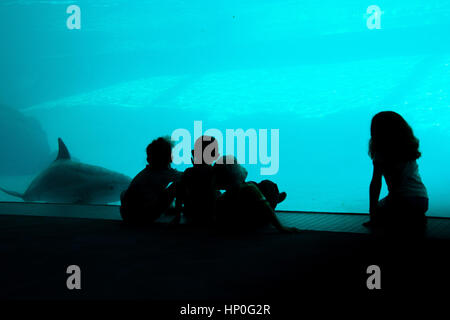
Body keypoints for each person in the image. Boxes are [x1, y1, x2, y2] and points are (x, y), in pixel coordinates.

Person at [363, 111, 428, 233]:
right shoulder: (409, 149)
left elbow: (376, 183)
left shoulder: (381, 153)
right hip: (422, 200)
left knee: (381, 210)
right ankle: (415, 218)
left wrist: (373, 214)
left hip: (401, 201)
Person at [214, 155, 299, 233]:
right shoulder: (249, 188)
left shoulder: (222, 198)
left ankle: (274, 197)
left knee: (253, 184)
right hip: (258, 219)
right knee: (267, 184)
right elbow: (267, 209)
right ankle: (275, 198)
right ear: (237, 171)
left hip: (239, 223)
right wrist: (282, 228)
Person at [120, 136, 181, 224]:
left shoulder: (146, 172)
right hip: (144, 216)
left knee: (126, 192)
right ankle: (179, 216)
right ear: (168, 158)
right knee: (177, 186)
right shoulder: (164, 173)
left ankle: (169, 210)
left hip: (126, 215)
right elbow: (186, 176)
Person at [173, 135, 220, 225]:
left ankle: (177, 216)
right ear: (215, 156)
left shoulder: (188, 172)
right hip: (209, 214)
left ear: (193, 153)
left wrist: (177, 216)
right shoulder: (214, 172)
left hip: (190, 212)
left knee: (178, 185)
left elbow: (179, 194)